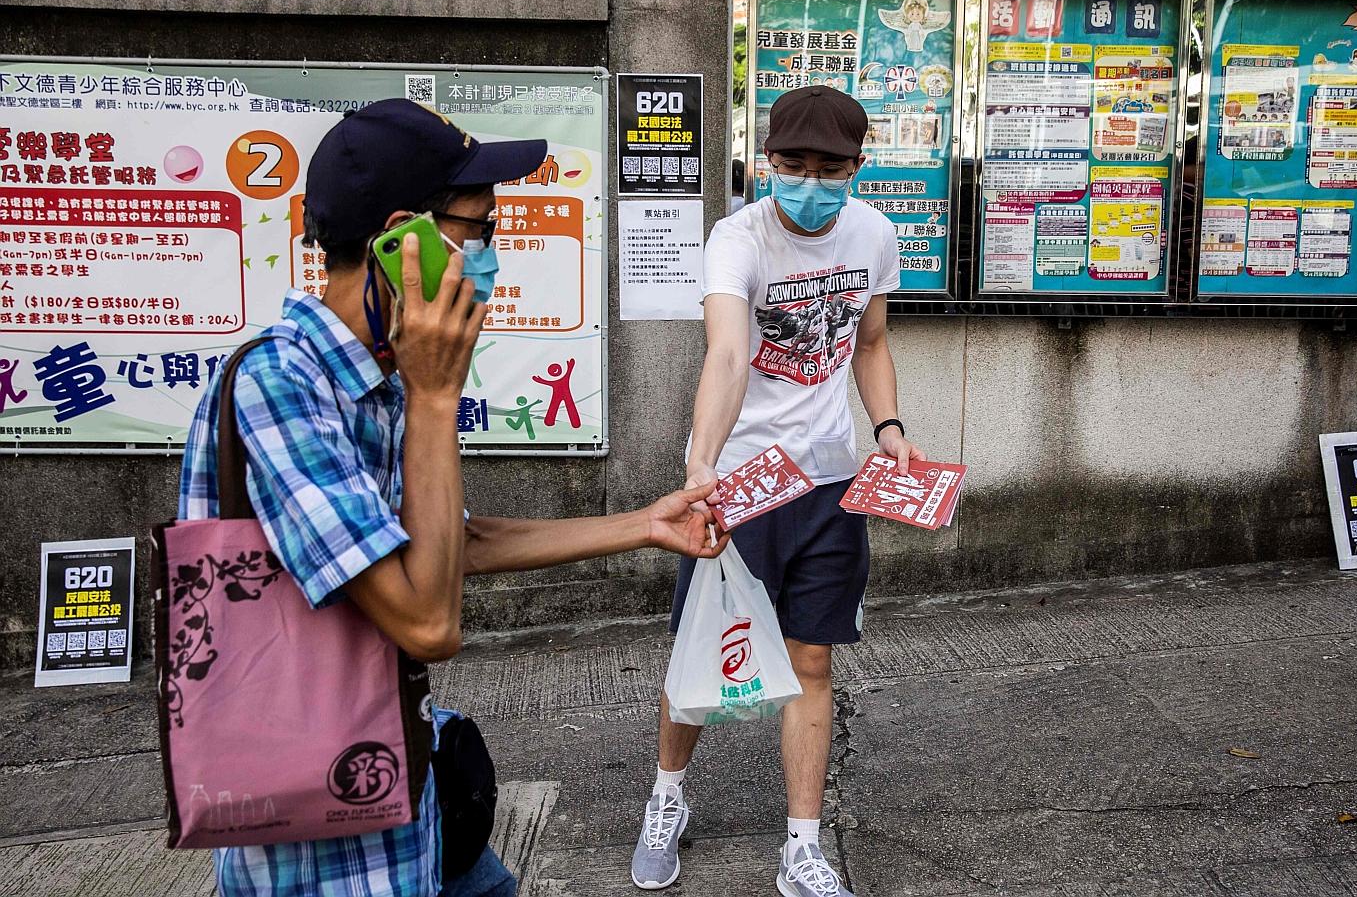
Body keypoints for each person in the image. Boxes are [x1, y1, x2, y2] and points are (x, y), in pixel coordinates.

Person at [179, 99, 725, 897]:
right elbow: (426, 620)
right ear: (407, 240)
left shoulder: (380, 374)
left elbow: (446, 545)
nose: (490, 257)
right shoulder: (282, 385)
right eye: (479, 231)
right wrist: (437, 399)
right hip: (328, 840)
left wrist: (646, 526)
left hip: (411, 789)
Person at [631, 86, 925, 897]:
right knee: (700, 653)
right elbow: (725, 355)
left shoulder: (874, 233)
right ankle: (666, 798)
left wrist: (889, 429)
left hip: (830, 480)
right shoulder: (738, 239)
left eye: (829, 168)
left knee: (812, 660)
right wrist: (704, 465)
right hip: (741, 481)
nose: (808, 181)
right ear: (768, 162)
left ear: (857, 169)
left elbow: (870, 342)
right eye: (791, 165)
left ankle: (801, 846)